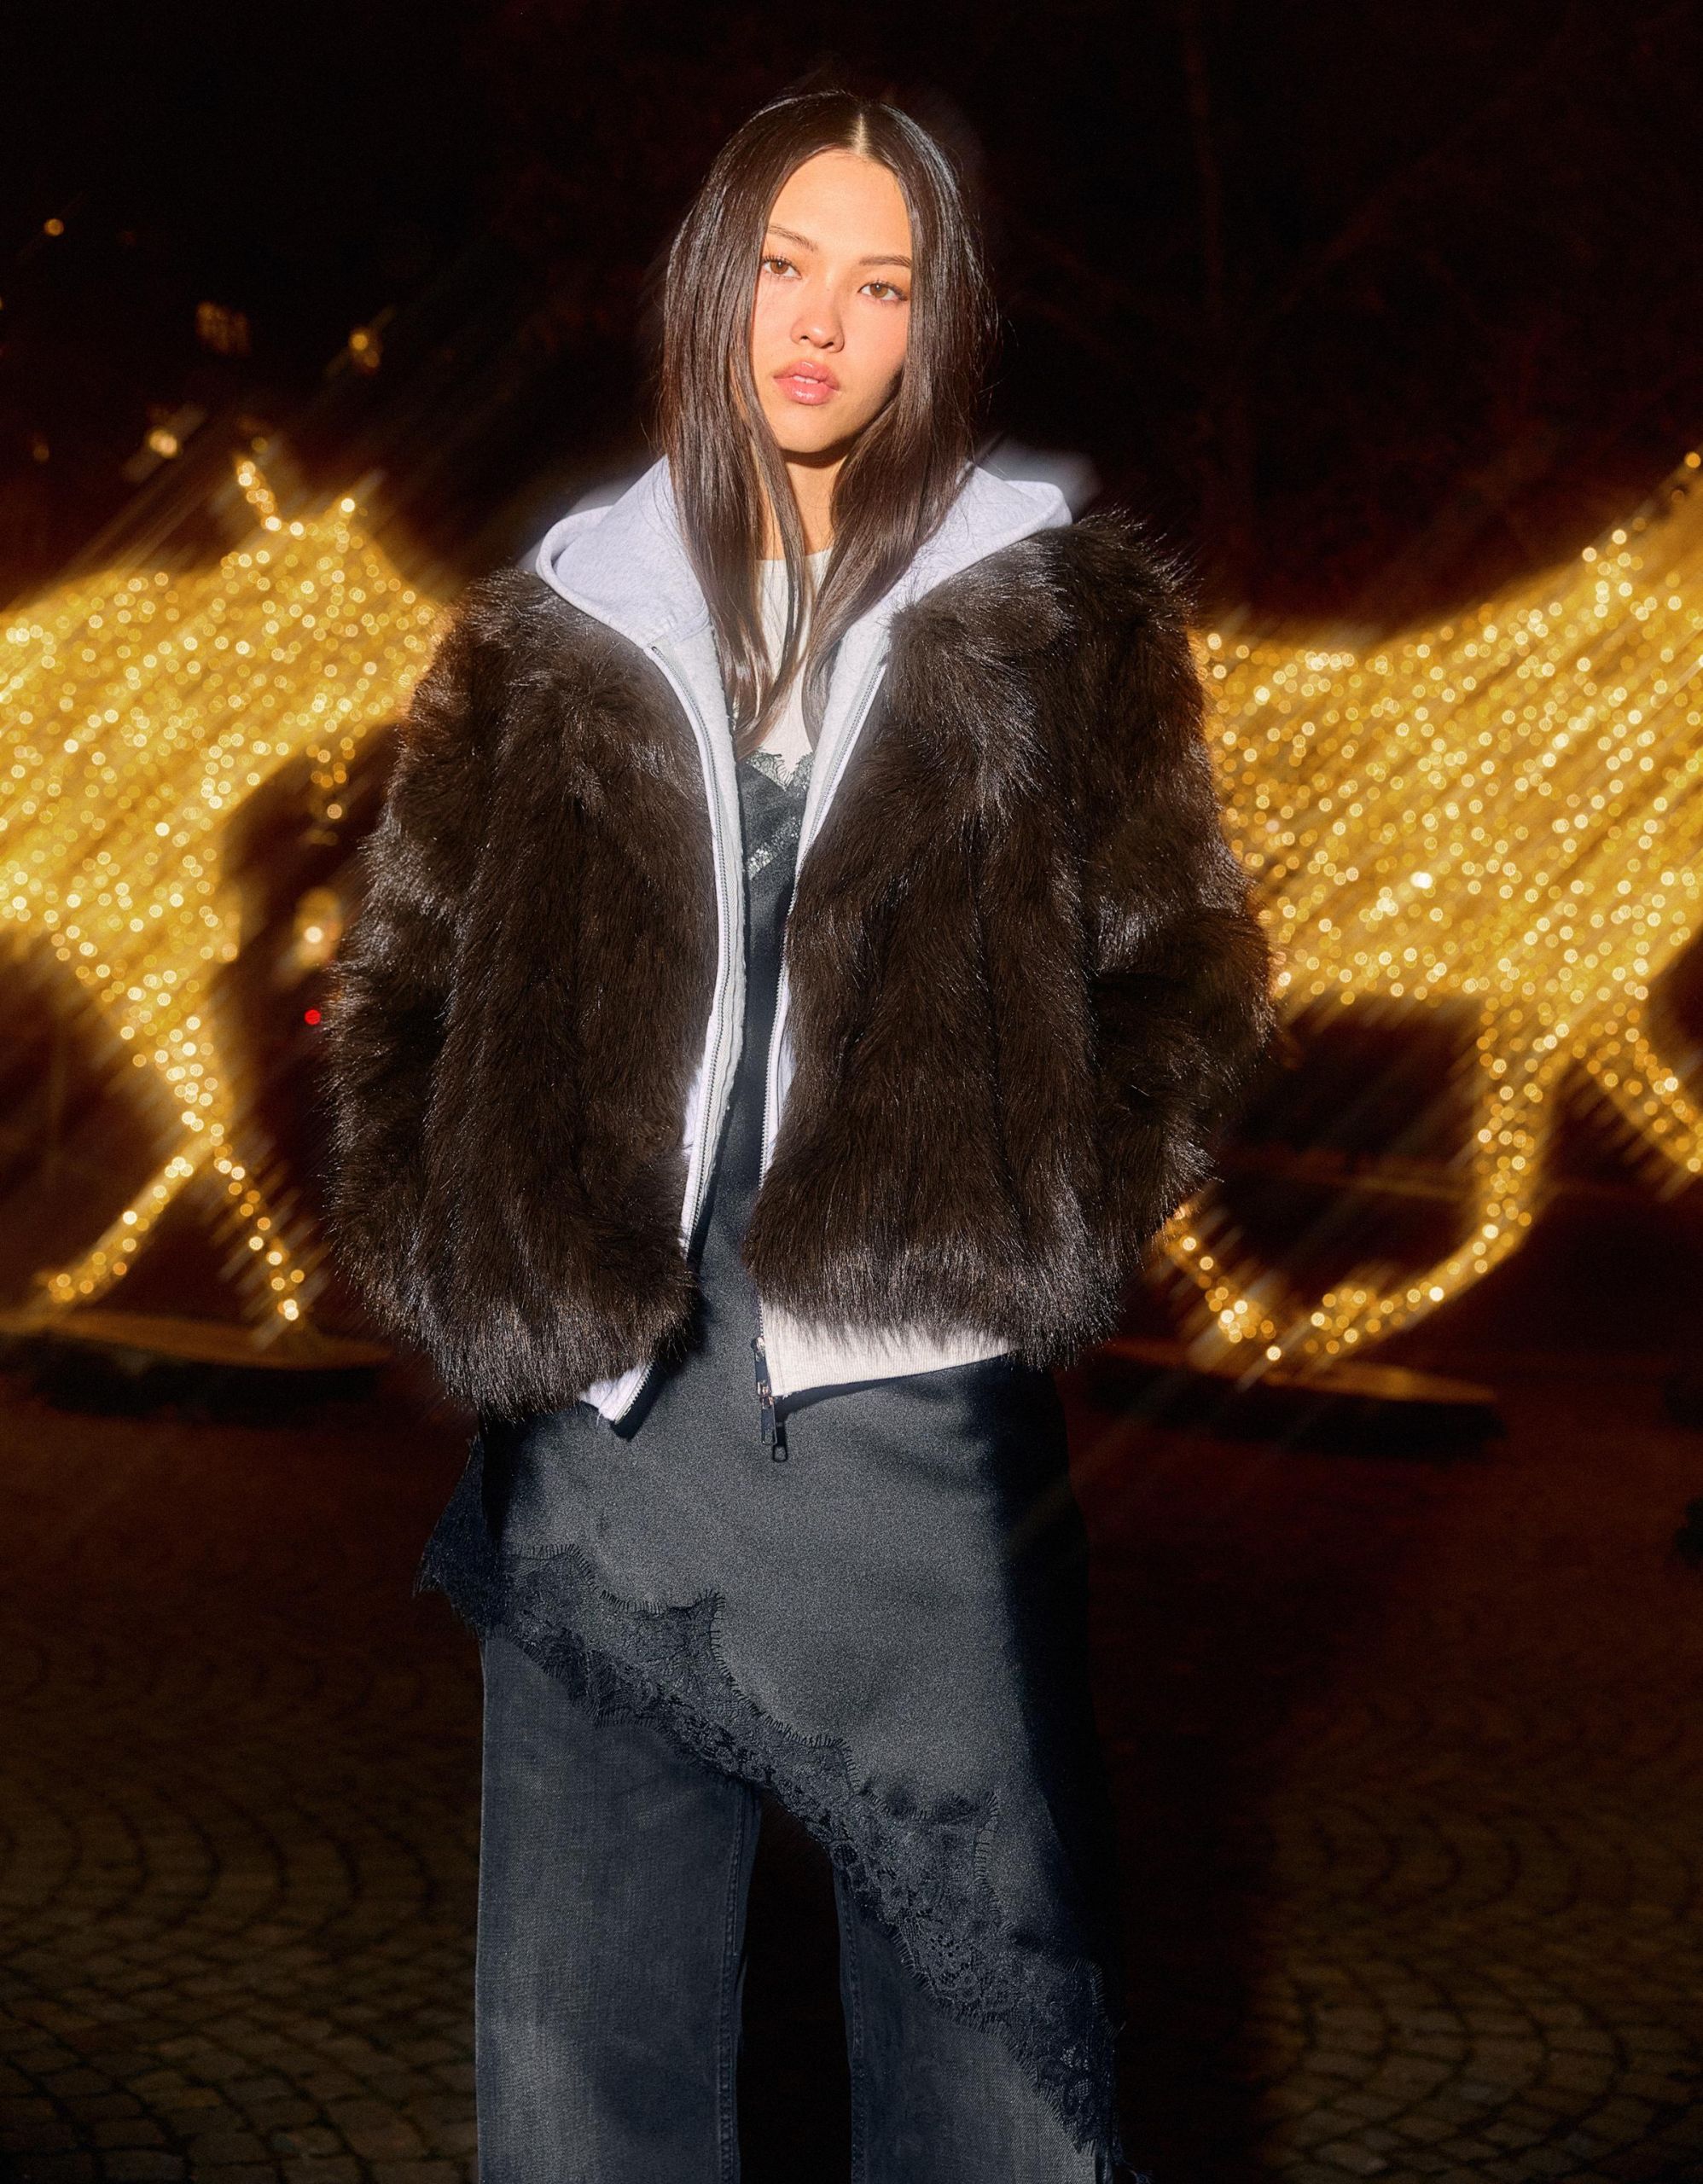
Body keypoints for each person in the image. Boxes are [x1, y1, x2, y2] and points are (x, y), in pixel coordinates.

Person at [323, 84, 1272, 2184]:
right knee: (584, 2060)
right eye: (780, 265)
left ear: (938, 322)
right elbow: (404, 983)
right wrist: (470, 1256)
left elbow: (1184, 971)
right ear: (710, 281)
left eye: (880, 282)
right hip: (606, 1418)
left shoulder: (1052, 612)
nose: (819, 323)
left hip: (915, 1439)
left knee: (989, 2057)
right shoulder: (553, 623)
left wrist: (1021, 1227)